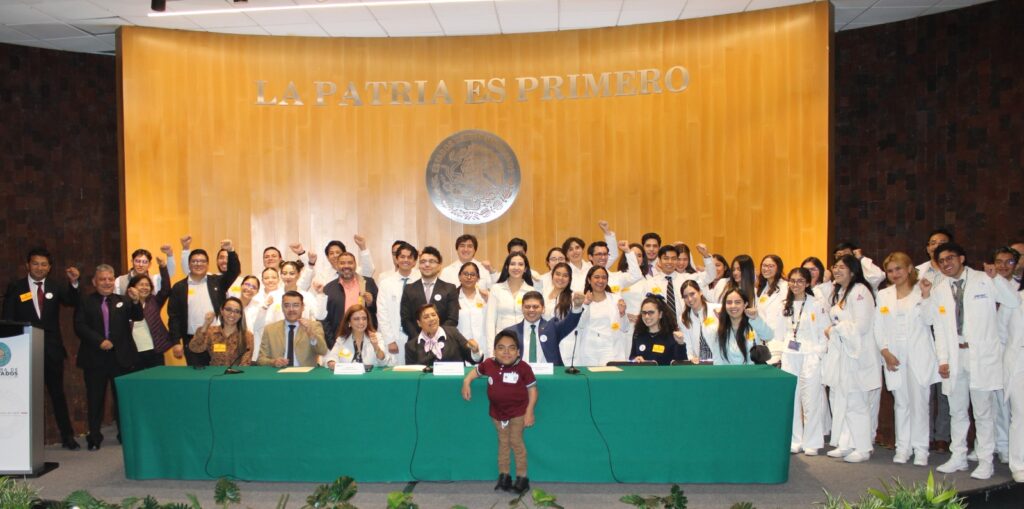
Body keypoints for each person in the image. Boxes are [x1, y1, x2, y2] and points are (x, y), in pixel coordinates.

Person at [922, 242, 1019, 480]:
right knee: (957, 411)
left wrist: (997, 278)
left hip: (981, 356)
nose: (946, 264)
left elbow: (1013, 301)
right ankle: (959, 456)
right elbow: (936, 325)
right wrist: (943, 359)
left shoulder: (984, 279)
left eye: (950, 258)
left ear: (962, 258)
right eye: (941, 261)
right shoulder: (940, 289)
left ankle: (985, 461)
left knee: (983, 412)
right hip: (955, 355)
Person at [2, 247, 81, 449]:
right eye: (35, 263)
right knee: (24, 396)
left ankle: (67, 436)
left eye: (44, 264)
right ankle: (23, 440)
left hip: (52, 350)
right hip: (24, 351)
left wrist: (74, 283)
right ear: (28, 265)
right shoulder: (16, 287)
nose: (39, 268)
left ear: (49, 267)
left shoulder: (55, 286)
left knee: (57, 394)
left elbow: (72, 301)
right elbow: (7, 319)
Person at [873, 252, 940, 466]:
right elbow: (878, 326)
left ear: (910, 268)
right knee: (901, 403)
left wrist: (927, 296)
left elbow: (931, 319)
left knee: (919, 403)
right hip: (894, 354)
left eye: (899, 269)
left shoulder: (922, 290)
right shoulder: (884, 295)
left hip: (918, 353)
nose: (895, 274)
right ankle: (903, 447)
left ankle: (921, 449)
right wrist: (885, 352)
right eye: (890, 271)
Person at [73, 264, 143, 450]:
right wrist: (100, 341)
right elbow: (79, 326)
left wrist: (136, 301)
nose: (106, 282)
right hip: (94, 358)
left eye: (110, 279)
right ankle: (94, 437)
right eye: (102, 279)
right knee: (95, 399)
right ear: (94, 282)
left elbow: (138, 316)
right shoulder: (86, 301)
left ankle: (123, 435)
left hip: (121, 358)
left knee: (121, 400)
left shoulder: (123, 300)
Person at [461, 330, 537, 495]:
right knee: (503, 444)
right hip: (497, 414)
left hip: (518, 413)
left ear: (518, 352)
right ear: (494, 351)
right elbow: (476, 371)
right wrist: (467, 381)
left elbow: (532, 391)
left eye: (511, 348)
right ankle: (504, 476)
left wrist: (529, 412)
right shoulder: (489, 363)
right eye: (501, 348)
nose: (506, 352)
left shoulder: (524, 368)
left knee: (516, 443)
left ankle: (522, 478)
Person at [823, 255, 880, 463]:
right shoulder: (841, 292)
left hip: (858, 355)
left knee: (857, 402)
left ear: (853, 271)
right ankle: (846, 443)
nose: (836, 270)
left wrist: (834, 329)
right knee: (844, 401)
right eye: (835, 267)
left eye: (842, 267)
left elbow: (861, 326)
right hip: (844, 354)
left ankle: (863, 448)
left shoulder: (860, 291)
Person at [770, 268, 829, 456]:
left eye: (800, 281)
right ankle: (796, 440)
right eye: (793, 281)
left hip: (810, 354)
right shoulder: (784, 305)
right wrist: (777, 354)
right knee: (793, 398)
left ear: (808, 283)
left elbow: (824, 331)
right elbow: (779, 333)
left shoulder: (816, 304)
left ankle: (812, 441)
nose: (796, 284)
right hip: (790, 354)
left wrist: (819, 353)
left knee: (811, 399)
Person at [168, 240, 240, 366]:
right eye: (194, 261)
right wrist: (176, 342)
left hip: (217, 338)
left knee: (219, 371)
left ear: (207, 264)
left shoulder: (217, 282)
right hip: (192, 339)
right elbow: (174, 317)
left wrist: (231, 251)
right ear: (189, 264)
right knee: (197, 374)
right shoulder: (179, 287)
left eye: (202, 261)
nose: (198, 264)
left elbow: (234, 271)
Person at [502, 290, 584, 365]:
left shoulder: (552, 327)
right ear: (522, 309)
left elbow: (569, 323)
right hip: (521, 374)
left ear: (543, 309)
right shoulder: (510, 332)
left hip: (549, 374)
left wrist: (577, 307)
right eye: (527, 307)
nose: (531, 310)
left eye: (535, 307)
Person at [576, 266, 631, 366]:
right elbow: (580, 325)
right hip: (589, 350)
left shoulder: (616, 299)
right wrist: (586, 304)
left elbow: (625, 328)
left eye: (604, 277)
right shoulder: (582, 300)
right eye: (596, 277)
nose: (600, 281)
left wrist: (622, 313)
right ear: (589, 280)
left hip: (611, 350)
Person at [257, 291, 328, 367]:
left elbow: (323, 351)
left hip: (305, 372)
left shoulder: (314, 326)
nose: (291, 309)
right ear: (282, 308)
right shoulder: (270, 329)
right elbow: (261, 359)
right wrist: (273, 362)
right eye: (287, 306)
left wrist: (312, 335)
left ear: (303, 307)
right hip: (278, 372)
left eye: (295, 305)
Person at [322, 251, 377, 348]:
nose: (346, 266)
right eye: (342, 263)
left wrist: (371, 303)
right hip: (339, 339)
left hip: (366, 338)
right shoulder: (328, 289)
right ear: (337, 265)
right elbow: (324, 319)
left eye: (350, 263)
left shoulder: (368, 283)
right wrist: (332, 343)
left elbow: (380, 310)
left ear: (355, 265)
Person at [400, 246, 459, 337]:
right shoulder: (409, 289)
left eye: (432, 261)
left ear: (439, 266)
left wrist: (436, 337)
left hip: (443, 341)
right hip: (416, 341)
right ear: (419, 266)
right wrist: (421, 338)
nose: (427, 265)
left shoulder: (449, 288)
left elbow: (452, 319)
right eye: (423, 262)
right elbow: (405, 319)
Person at [125, 256, 172, 369]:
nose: (144, 287)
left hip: (155, 350)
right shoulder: (125, 304)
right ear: (132, 287)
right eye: (141, 284)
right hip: (134, 352)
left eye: (147, 285)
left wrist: (163, 267)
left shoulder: (154, 301)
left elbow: (166, 289)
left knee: (157, 379)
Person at [376, 242, 419, 364]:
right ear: (396, 259)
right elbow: (382, 313)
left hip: (416, 336)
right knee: (394, 370)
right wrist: (389, 340)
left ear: (414, 261)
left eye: (409, 257)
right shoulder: (386, 283)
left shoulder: (421, 281)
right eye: (402, 257)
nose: (406, 260)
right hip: (394, 336)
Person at [484, 252, 536, 349]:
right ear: (507, 267)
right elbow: (490, 321)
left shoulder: (531, 291)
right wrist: (491, 349)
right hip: (502, 343)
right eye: (512, 264)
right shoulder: (496, 289)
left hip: (525, 342)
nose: (516, 267)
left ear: (525, 269)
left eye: (520, 264)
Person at [405, 304, 481, 365]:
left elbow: (474, 359)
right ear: (419, 323)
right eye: (426, 317)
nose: (431, 319)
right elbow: (412, 373)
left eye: (434, 315)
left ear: (438, 318)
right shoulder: (411, 346)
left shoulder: (453, 333)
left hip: (454, 379)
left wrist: (475, 351)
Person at [712, 288, 773, 365]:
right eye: (729, 302)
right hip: (728, 372)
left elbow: (768, 336)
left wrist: (755, 319)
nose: (733, 306)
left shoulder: (754, 322)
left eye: (737, 302)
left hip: (753, 371)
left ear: (745, 304)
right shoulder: (720, 329)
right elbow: (717, 359)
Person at [321, 304, 394, 368]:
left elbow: (383, 362)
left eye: (364, 318)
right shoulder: (342, 339)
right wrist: (332, 363)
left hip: (370, 378)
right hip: (348, 377)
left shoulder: (377, 337)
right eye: (356, 319)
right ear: (349, 322)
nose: (361, 322)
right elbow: (331, 358)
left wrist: (376, 347)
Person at [189, 296, 254, 367]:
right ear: (222, 311)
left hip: (237, 372)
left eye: (237, 311)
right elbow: (195, 348)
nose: (232, 314)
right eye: (228, 309)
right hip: (214, 372)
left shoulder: (247, 336)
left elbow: (245, 362)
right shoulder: (211, 332)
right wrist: (206, 324)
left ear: (240, 315)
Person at [756, 254, 788, 364]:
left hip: (779, 340)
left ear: (778, 268)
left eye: (771, 266)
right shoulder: (762, 289)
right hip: (763, 340)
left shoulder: (786, 287)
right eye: (764, 265)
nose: (766, 269)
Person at [629, 296, 679, 365]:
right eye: (644, 313)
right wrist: (635, 359)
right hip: (643, 372)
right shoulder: (638, 334)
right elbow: (632, 357)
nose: (646, 316)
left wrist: (681, 344)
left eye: (651, 312)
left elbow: (680, 363)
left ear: (660, 314)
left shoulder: (672, 335)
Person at [680, 280, 720, 364]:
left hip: (720, 361)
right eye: (685, 296)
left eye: (692, 294)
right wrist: (691, 358)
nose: (689, 299)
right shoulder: (684, 318)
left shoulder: (717, 309)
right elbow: (688, 345)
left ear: (700, 292)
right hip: (699, 363)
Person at [456, 262, 489, 359]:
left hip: (482, 345)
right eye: (465, 274)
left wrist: (489, 300)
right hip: (461, 346)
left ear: (478, 278)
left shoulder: (486, 297)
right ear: (459, 276)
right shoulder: (452, 297)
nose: (469, 277)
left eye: (473, 274)